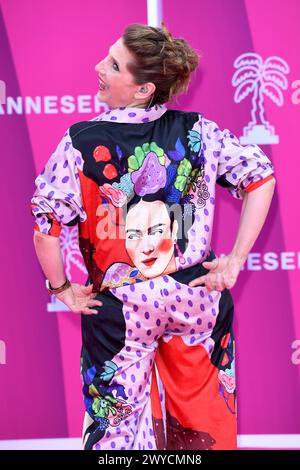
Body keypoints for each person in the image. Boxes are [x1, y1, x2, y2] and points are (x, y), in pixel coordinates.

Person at [30, 23, 276, 450]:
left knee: (116, 428)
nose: (98, 68)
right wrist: (234, 259)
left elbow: (46, 226)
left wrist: (62, 288)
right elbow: (261, 178)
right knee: (203, 427)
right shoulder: (200, 130)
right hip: (196, 297)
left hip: (121, 309)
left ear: (143, 89)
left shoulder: (81, 143)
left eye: (112, 65)